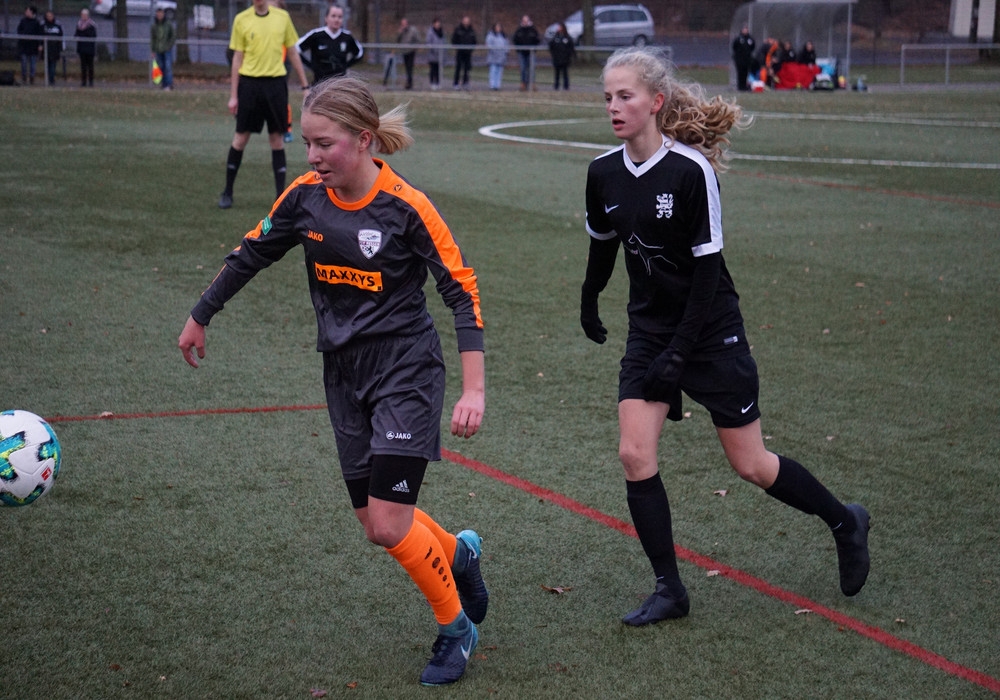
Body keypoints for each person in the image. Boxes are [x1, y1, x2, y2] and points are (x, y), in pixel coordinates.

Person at [178, 75, 489, 687]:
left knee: (391, 524)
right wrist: (201, 313)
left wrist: (473, 389)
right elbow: (252, 251)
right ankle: (460, 554)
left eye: (325, 144)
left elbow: (461, 291)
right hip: (344, 374)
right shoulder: (304, 198)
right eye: (307, 143)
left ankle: (456, 629)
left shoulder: (406, 207)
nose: (313, 156)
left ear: (364, 139)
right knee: (376, 526)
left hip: (406, 371)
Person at [579, 47, 871, 627]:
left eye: (625, 96)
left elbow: (708, 273)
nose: (613, 106)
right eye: (608, 97)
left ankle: (845, 521)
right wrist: (589, 299)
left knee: (752, 464)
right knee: (634, 453)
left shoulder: (692, 172)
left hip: (709, 332)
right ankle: (670, 589)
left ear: (656, 102)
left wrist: (681, 354)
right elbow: (602, 244)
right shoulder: (602, 172)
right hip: (650, 332)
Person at [218, 0, 310, 210]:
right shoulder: (241, 19)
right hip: (249, 86)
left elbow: (292, 52)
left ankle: (280, 198)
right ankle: (227, 192)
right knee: (240, 138)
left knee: (277, 140)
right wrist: (233, 95)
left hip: (275, 86)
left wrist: (305, 86)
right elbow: (237, 58)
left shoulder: (282, 18)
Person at [295, 4, 364, 86]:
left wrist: (345, 66)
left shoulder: (347, 37)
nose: (336, 20)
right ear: (326, 18)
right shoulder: (316, 35)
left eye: (340, 17)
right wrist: (310, 65)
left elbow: (359, 54)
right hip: (319, 85)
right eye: (333, 16)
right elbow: (295, 49)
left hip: (340, 85)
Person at [17, 5, 43, 86]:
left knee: (32, 64)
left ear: (32, 12)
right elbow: (19, 30)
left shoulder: (36, 22)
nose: (26, 12)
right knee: (24, 63)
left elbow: (40, 34)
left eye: (28, 11)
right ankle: (24, 78)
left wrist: (40, 44)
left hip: (33, 47)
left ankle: (32, 78)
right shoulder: (23, 21)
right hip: (24, 46)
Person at [512, 14, 540, 91]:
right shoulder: (519, 30)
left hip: (531, 53)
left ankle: (532, 84)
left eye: (526, 20)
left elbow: (537, 40)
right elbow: (515, 40)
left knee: (531, 69)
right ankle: (523, 84)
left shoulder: (533, 30)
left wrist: (534, 49)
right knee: (523, 69)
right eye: (524, 21)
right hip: (521, 53)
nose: (525, 22)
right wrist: (518, 50)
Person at [150, 7, 176, 91]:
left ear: (163, 14)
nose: (159, 15)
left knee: (168, 67)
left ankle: (169, 84)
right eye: (158, 14)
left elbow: (173, 35)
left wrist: (169, 46)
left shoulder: (168, 24)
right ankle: (164, 84)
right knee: (161, 67)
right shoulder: (154, 26)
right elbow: (153, 39)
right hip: (158, 49)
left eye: (161, 13)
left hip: (167, 49)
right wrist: (153, 50)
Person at [73, 8, 97, 87]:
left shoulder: (92, 25)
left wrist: (82, 34)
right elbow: (76, 34)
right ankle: (83, 81)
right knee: (83, 66)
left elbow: (92, 36)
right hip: (81, 48)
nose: (83, 16)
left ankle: (91, 81)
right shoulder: (79, 24)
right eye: (82, 15)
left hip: (90, 49)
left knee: (90, 66)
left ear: (87, 15)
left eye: (85, 15)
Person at [451, 15, 476, 90]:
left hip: (468, 53)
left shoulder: (471, 30)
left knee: (467, 69)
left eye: (467, 21)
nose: (466, 22)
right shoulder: (458, 30)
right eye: (465, 21)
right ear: (462, 21)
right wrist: (457, 47)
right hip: (460, 52)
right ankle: (456, 83)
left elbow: (474, 41)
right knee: (458, 68)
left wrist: (471, 49)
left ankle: (465, 83)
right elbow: (454, 40)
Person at [548, 22, 574, 91]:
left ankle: (566, 87)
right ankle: (556, 86)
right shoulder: (555, 37)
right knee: (557, 73)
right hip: (557, 59)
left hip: (565, 59)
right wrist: (554, 54)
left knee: (565, 73)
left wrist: (568, 55)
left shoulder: (567, 38)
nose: (558, 28)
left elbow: (571, 47)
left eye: (560, 27)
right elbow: (551, 46)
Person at [396, 18, 421, 90]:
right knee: (407, 67)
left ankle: (409, 83)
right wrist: (400, 33)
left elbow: (418, 39)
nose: (403, 25)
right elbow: (397, 40)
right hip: (404, 51)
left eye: (404, 24)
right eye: (402, 24)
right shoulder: (401, 31)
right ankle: (409, 82)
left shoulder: (413, 30)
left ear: (407, 24)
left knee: (410, 67)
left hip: (411, 51)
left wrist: (415, 47)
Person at [41, 10, 64, 87]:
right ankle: (47, 79)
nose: (49, 17)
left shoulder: (57, 25)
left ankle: (52, 80)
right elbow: (40, 36)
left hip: (54, 49)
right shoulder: (43, 25)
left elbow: (61, 36)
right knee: (47, 65)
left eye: (50, 16)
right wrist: (40, 45)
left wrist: (60, 48)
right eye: (48, 16)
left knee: (53, 65)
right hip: (46, 48)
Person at [731, 24, 755, 92]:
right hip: (739, 59)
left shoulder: (750, 39)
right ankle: (740, 86)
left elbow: (753, 47)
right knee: (740, 72)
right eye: (744, 30)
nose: (745, 31)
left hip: (747, 60)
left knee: (746, 73)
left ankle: (744, 86)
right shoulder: (738, 39)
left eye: (746, 30)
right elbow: (734, 47)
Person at [485, 22, 508, 91]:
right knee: (493, 71)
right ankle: (492, 85)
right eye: (497, 27)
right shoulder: (490, 36)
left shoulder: (503, 36)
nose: (498, 28)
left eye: (499, 27)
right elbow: (489, 45)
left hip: (501, 57)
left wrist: (506, 52)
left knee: (499, 72)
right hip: (493, 57)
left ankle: (497, 85)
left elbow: (507, 45)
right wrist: (495, 51)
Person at [426, 17, 445, 90]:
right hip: (432, 54)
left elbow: (443, 41)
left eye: (439, 24)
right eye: (436, 24)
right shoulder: (430, 32)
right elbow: (428, 42)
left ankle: (438, 83)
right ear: (433, 24)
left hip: (440, 55)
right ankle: (432, 83)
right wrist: (434, 49)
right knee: (433, 69)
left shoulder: (441, 32)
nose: (438, 26)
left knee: (438, 70)